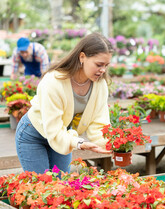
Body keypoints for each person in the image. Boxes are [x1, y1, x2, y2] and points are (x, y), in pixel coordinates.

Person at [15, 32, 114, 174]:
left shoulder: (100, 84)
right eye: (99, 64)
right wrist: (79, 143)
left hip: (63, 134)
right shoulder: (53, 82)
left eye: (106, 65)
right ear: (82, 57)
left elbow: (100, 124)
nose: (103, 70)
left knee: (60, 186)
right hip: (33, 135)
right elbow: (53, 130)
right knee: (41, 187)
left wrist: (113, 145)